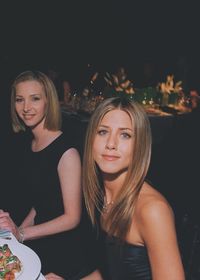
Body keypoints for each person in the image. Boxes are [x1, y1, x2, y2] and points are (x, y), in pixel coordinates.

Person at [0, 70, 102, 279]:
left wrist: (22, 234)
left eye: (35, 99)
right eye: (20, 100)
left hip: (67, 251)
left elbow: (72, 218)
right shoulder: (31, 143)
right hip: (42, 241)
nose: (26, 108)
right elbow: (41, 203)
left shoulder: (67, 152)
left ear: (49, 101)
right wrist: (16, 233)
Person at [82, 97, 185, 279]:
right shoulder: (102, 195)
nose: (111, 144)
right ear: (91, 138)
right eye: (103, 132)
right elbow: (110, 272)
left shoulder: (153, 210)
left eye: (125, 135)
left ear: (140, 145)